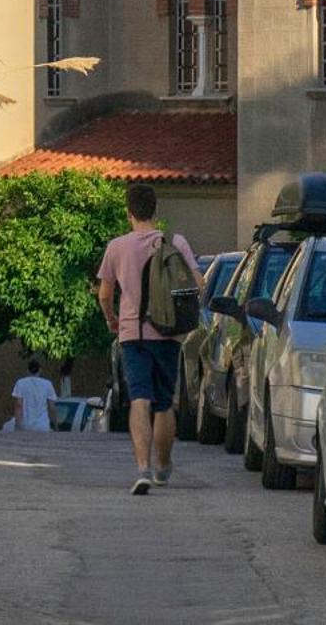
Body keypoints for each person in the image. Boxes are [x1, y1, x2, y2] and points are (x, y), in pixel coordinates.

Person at [97, 180, 202, 495]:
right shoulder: (175, 243)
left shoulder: (117, 247)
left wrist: (111, 319)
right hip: (168, 333)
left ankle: (141, 468)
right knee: (163, 403)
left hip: (132, 334)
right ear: (156, 211)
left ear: (129, 213)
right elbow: (197, 283)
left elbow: (105, 294)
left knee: (138, 399)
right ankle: (163, 466)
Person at [11, 357, 58, 432]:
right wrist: (56, 426)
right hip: (43, 426)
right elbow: (52, 407)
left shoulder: (20, 383)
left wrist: (17, 425)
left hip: (25, 425)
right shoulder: (47, 384)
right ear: (40, 370)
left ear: (27, 370)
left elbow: (19, 405)